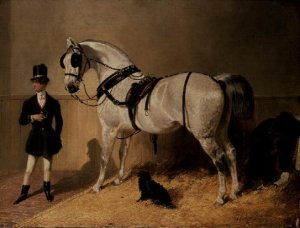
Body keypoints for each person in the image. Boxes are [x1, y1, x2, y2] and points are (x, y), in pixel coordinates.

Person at [14, 63, 63, 204]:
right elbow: (21, 120)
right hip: (35, 139)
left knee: (47, 168)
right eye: (33, 82)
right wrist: (32, 117)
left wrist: (56, 137)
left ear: (44, 84)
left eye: (36, 82)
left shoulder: (54, 102)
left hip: (49, 139)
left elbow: (59, 122)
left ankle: (47, 190)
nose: (34, 85)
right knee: (29, 169)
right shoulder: (28, 102)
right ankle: (24, 192)